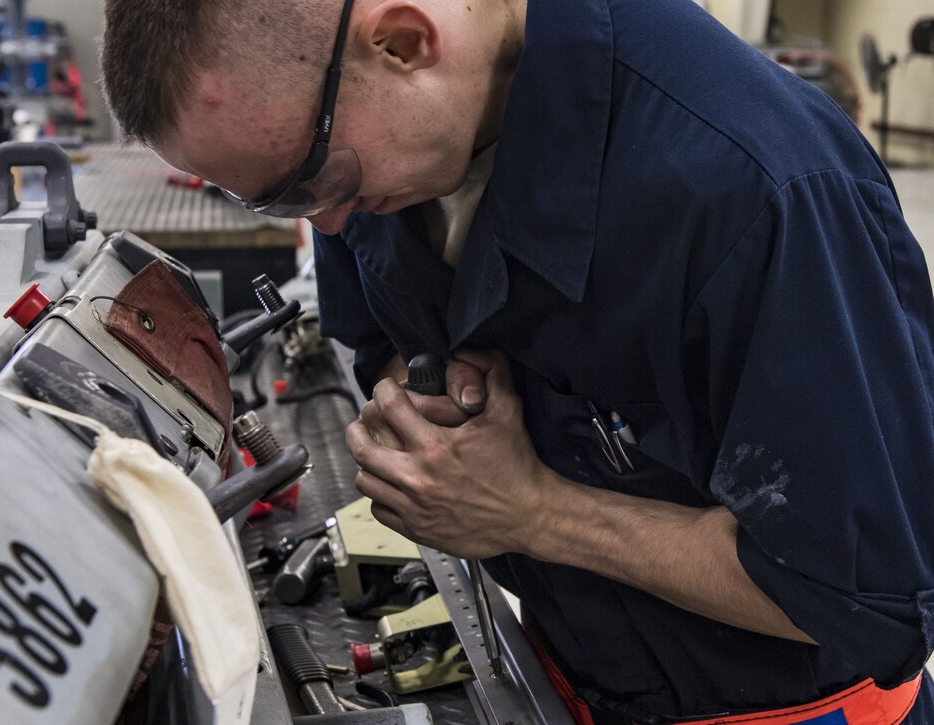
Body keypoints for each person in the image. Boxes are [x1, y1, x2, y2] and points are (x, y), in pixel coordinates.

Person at [100, 0, 934, 721]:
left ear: (403, 42)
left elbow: (862, 596)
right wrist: (420, 425)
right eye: (276, 199)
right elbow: (377, 333)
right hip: (565, 677)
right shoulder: (374, 151)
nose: (324, 222)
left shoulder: (759, 192)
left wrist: (534, 512)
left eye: (312, 183)